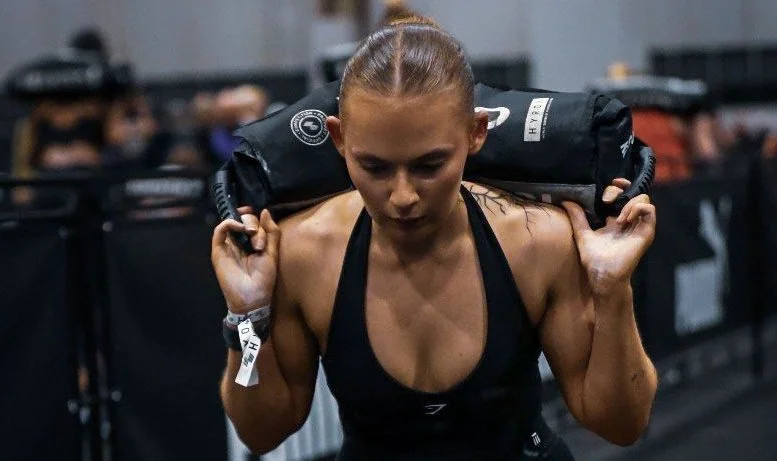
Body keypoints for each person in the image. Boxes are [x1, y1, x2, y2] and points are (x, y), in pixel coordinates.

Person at [212, 15, 657, 461]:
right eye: (375, 167)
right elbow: (261, 433)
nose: (402, 197)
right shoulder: (305, 253)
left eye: (429, 166)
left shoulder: (537, 242)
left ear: (476, 133)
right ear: (339, 139)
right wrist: (247, 314)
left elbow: (621, 424)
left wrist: (612, 290)